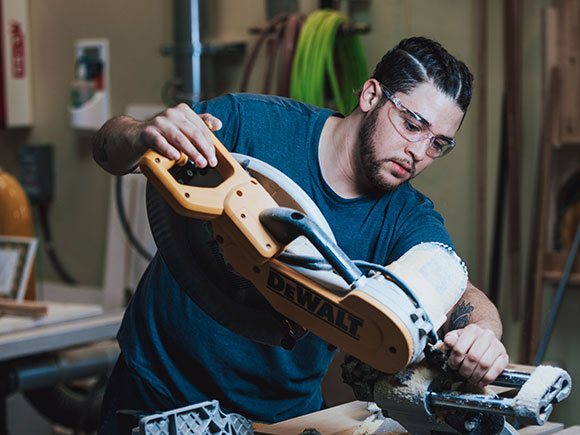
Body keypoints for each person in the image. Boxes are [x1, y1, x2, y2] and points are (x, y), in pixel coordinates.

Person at [93, 36, 509, 434]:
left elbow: (455, 287)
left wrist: (485, 334)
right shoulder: (251, 124)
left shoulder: (405, 216)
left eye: (438, 143)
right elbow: (107, 149)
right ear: (370, 96)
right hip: (155, 389)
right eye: (412, 124)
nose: (419, 152)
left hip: (281, 418)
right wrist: (139, 132)